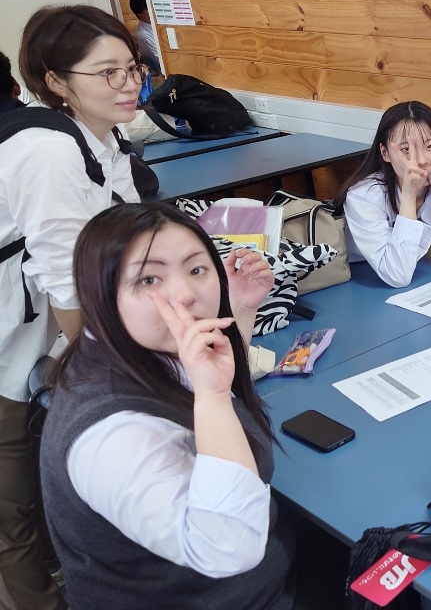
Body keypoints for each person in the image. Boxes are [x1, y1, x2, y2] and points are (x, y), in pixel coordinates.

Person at [40, 202, 296, 608]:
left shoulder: (128, 349)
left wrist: (241, 309)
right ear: (100, 294)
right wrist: (213, 396)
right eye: (149, 279)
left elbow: (202, 385)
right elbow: (229, 547)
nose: (186, 295)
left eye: (197, 270)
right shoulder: (113, 434)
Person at [0, 4, 149, 610]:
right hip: (10, 341)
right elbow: (67, 288)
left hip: (44, 338)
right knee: (13, 507)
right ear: (57, 82)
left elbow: (133, 233)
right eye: (107, 72)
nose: (129, 83)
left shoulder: (105, 138)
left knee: (53, 481)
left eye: (133, 68)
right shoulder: (48, 152)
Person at [336, 100, 431, 287]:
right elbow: (397, 276)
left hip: (400, 264)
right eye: (406, 149)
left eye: (430, 146)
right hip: (351, 274)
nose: (421, 160)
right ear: (385, 153)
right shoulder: (364, 196)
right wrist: (409, 195)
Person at [129, 0, 163, 74]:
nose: (154, 11)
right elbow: (161, 61)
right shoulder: (143, 35)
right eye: (149, 9)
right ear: (139, 13)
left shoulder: (160, 25)